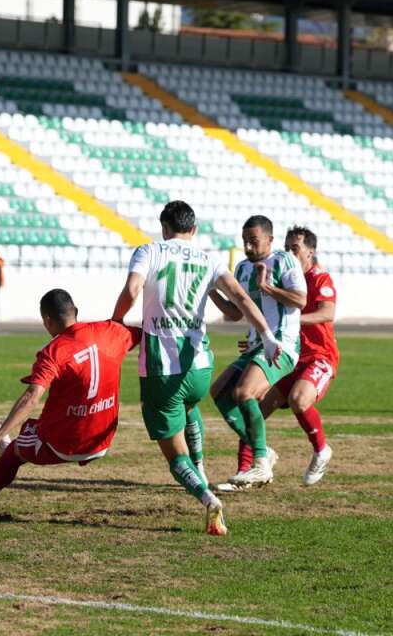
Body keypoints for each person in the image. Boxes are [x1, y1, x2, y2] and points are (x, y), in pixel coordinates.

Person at [111, 201, 284, 535]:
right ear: (194, 229)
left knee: (174, 453)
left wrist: (115, 322)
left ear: (164, 227)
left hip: (162, 367)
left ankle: (207, 497)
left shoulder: (149, 251)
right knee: (189, 405)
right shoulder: (209, 257)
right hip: (200, 366)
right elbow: (242, 300)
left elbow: (133, 289)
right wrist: (268, 336)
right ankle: (202, 465)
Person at [0, 289, 139, 517]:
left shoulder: (53, 352)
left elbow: (31, 397)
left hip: (64, 443)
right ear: (75, 311)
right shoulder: (110, 331)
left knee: (14, 453)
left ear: (47, 320)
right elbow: (145, 335)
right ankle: (18, 445)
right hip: (102, 439)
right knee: (26, 438)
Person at [221, 225, 336, 490]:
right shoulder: (281, 270)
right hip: (282, 353)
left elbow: (327, 313)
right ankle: (245, 471)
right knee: (254, 406)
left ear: (311, 252)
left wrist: (288, 325)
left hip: (318, 356)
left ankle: (321, 450)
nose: (290, 252)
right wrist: (259, 338)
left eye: (295, 248)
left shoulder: (319, 279)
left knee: (297, 399)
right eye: (288, 247)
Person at [207, 214, 306, 489]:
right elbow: (233, 313)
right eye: (245, 242)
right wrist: (210, 291)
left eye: (254, 241)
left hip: (282, 346)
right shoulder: (241, 269)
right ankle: (264, 451)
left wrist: (266, 287)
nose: (248, 248)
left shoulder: (285, 261)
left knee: (243, 393)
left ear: (270, 240)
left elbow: (300, 299)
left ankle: (261, 464)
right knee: (219, 394)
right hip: (256, 347)